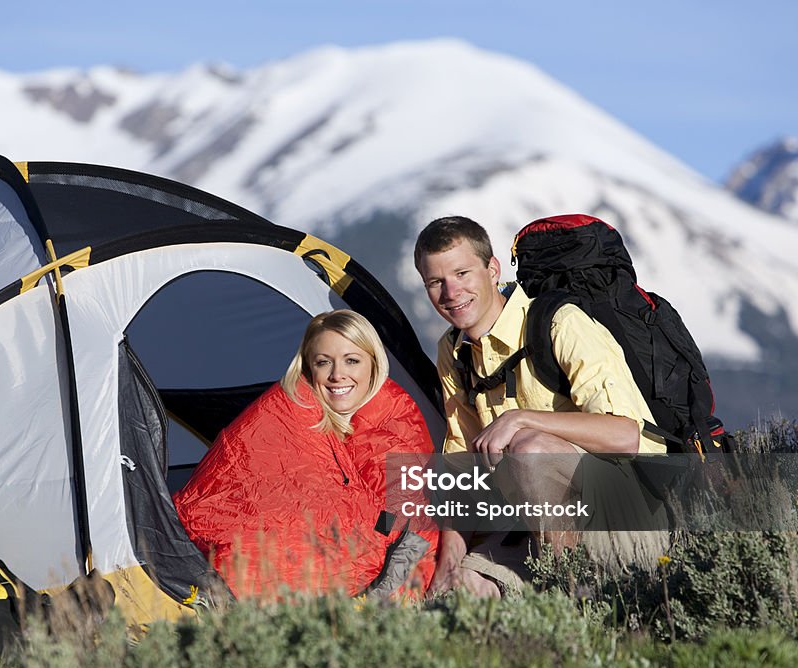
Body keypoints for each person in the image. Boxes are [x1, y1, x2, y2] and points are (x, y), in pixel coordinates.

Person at [414, 216, 668, 598]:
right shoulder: (454, 352)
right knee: (465, 589)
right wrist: (448, 566)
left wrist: (520, 418)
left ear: (492, 269)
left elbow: (626, 435)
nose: (451, 292)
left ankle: (571, 597)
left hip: (632, 518)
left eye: (462, 273)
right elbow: (462, 469)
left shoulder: (560, 325)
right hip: (539, 525)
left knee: (530, 448)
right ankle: (552, 598)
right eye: (436, 282)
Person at [174, 309, 437, 599]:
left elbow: (413, 524)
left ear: (374, 363)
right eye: (324, 362)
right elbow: (239, 470)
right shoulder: (292, 406)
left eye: (352, 360)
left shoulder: (393, 425)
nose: (338, 375)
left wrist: (382, 603)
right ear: (309, 368)